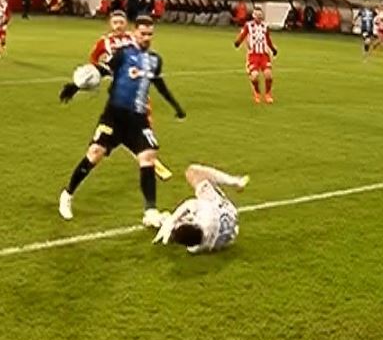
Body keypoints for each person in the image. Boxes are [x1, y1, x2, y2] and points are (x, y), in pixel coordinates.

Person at [56, 16, 186, 227]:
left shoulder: (154, 60)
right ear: (135, 33)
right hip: (115, 115)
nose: (146, 38)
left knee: (148, 157)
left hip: (138, 118)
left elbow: (159, 83)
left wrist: (176, 107)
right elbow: (104, 69)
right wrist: (75, 86)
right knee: (95, 154)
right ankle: (67, 194)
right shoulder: (124, 54)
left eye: (150, 34)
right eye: (143, 33)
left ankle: (150, 211)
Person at [152, 165, 247, 255]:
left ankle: (159, 219)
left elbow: (189, 207)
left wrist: (171, 222)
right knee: (193, 172)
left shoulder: (195, 249)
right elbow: (190, 204)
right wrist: (173, 220)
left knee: (192, 172)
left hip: (230, 230)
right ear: (195, 224)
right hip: (225, 210)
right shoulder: (206, 214)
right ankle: (235, 181)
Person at [234, 6, 279, 104]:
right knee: (254, 76)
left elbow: (268, 40)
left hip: (264, 55)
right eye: (257, 15)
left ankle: (268, 94)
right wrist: (238, 42)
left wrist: (273, 49)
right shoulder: (248, 25)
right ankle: (257, 93)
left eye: (260, 15)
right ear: (253, 15)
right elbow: (243, 35)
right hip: (253, 56)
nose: (259, 17)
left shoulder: (265, 26)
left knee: (268, 75)